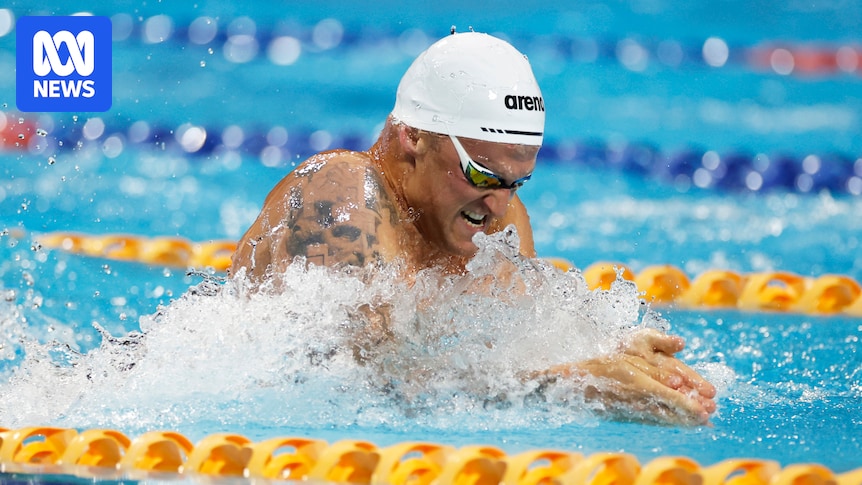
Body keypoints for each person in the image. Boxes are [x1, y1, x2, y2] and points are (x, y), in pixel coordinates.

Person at [229, 31, 716, 425]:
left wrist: (611, 362)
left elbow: (498, 364)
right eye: (482, 174)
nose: (499, 203)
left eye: (517, 182)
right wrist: (578, 380)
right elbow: (365, 383)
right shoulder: (341, 196)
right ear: (413, 135)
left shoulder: (496, 218)